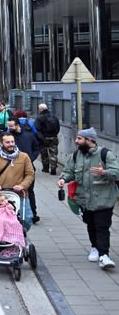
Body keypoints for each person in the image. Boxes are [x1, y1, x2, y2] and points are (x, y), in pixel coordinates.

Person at [58, 128, 119, 270]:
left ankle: (104, 255)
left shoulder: (105, 154)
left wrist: (104, 172)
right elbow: (69, 171)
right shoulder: (76, 155)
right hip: (84, 199)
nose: (76, 141)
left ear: (89, 140)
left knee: (102, 226)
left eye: (79, 138)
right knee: (90, 225)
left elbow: (116, 172)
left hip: (104, 199)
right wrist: (63, 179)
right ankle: (95, 248)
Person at [0, 132, 35, 230]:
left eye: (12, 141)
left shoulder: (24, 157)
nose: (11, 144)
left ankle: (21, 234)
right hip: (0, 194)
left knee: (27, 218)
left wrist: (22, 185)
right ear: (2, 144)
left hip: (19, 194)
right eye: (7, 142)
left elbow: (30, 174)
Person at [35, 103, 61, 175]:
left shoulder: (39, 118)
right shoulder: (55, 117)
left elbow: (37, 129)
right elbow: (58, 128)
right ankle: (53, 169)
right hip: (54, 137)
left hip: (44, 138)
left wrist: (41, 138)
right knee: (53, 153)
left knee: (44, 153)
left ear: (40, 109)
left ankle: (45, 168)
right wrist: (54, 135)